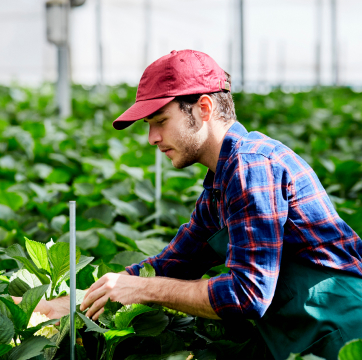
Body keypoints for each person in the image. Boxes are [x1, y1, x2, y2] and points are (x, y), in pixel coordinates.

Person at [34, 50, 362, 359]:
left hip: (342, 333)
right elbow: (171, 264)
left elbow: (246, 296)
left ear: (203, 109)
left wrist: (146, 290)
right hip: (304, 337)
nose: (152, 138)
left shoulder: (252, 166)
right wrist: (58, 307)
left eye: (160, 120)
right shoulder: (221, 184)